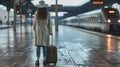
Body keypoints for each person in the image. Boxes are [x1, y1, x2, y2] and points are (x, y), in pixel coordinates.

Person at [33, 0, 52, 66]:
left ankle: (37, 60)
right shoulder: (48, 13)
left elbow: (34, 23)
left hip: (38, 31)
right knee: (45, 47)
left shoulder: (36, 13)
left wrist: (35, 30)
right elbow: (49, 23)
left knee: (38, 46)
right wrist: (50, 32)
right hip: (45, 30)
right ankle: (44, 60)